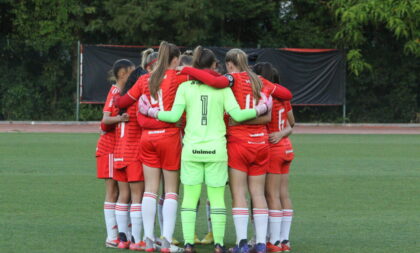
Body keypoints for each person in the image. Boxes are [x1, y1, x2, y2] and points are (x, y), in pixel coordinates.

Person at [138, 45, 273, 253]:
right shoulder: (223, 89)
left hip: (191, 150)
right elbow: (237, 115)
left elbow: (173, 117)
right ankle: (219, 245)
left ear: (195, 66)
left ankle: (189, 245)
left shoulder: (185, 88)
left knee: (190, 198)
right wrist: (260, 108)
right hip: (217, 151)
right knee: (217, 198)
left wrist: (151, 112)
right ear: (212, 66)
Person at [179, 49, 292, 253]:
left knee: (239, 193)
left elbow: (214, 82)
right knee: (258, 193)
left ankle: (241, 244)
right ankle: (260, 243)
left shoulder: (230, 79)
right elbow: (286, 94)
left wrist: (187, 69)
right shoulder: (259, 80)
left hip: (239, 142)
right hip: (261, 143)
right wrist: (268, 90)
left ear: (230, 64)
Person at [112, 50, 158, 250]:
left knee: (123, 196)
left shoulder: (122, 98)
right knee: (138, 196)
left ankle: (122, 239)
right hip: (134, 153)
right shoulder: (138, 102)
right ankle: (136, 240)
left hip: (119, 152)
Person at [253, 63, 295, 253]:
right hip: (286, 148)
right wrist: (283, 133)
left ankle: (274, 241)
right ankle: (284, 240)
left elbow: (262, 120)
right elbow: (291, 124)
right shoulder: (282, 98)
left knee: (268, 195)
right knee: (283, 194)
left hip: (273, 149)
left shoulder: (265, 98)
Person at [95, 59, 132, 248]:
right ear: (123, 74)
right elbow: (105, 120)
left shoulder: (121, 93)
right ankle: (112, 237)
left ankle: (123, 234)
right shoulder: (116, 91)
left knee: (121, 192)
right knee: (112, 192)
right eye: (131, 72)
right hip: (108, 149)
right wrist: (121, 118)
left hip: (116, 148)